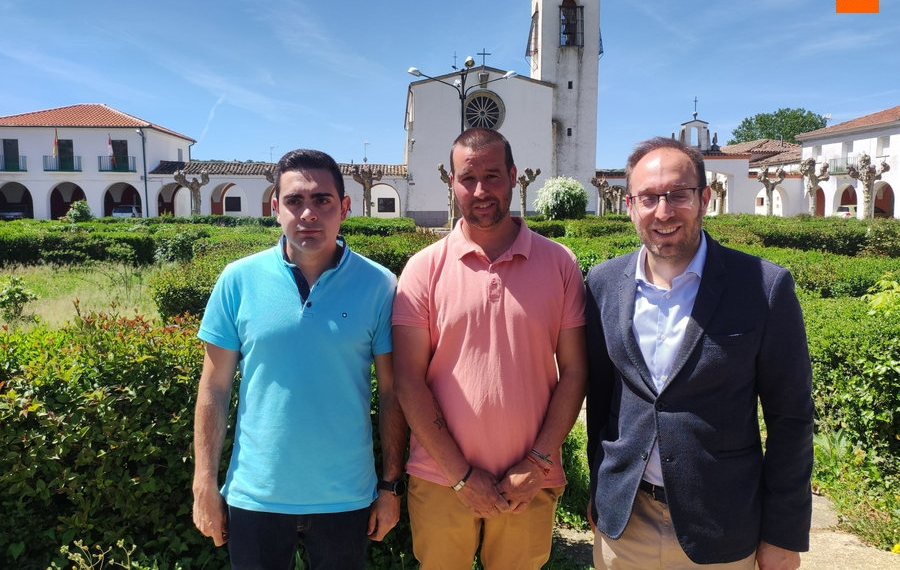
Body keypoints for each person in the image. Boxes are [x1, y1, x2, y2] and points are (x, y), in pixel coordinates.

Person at [585, 136, 814, 570]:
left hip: (723, 526)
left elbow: (792, 417)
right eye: (649, 198)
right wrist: (602, 488)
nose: (664, 211)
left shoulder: (764, 287)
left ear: (705, 198)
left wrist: (784, 533)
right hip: (626, 523)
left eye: (678, 195)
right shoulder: (602, 284)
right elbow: (601, 399)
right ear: (630, 205)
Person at [191, 149, 406, 570]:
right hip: (256, 495)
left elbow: (393, 392)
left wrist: (390, 486)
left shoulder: (380, 285)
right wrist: (204, 483)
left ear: (345, 207)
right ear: (275, 208)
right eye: (294, 201)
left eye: (322, 200)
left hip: (346, 497)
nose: (308, 213)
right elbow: (213, 388)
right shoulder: (237, 280)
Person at [393, 128, 588, 570]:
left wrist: (537, 463)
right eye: (467, 178)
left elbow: (575, 371)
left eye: (493, 176)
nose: (480, 191)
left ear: (516, 177)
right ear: (452, 183)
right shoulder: (423, 269)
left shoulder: (560, 263)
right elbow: (407, 378)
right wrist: (461, 476)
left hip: (530, 480)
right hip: (442, 477)